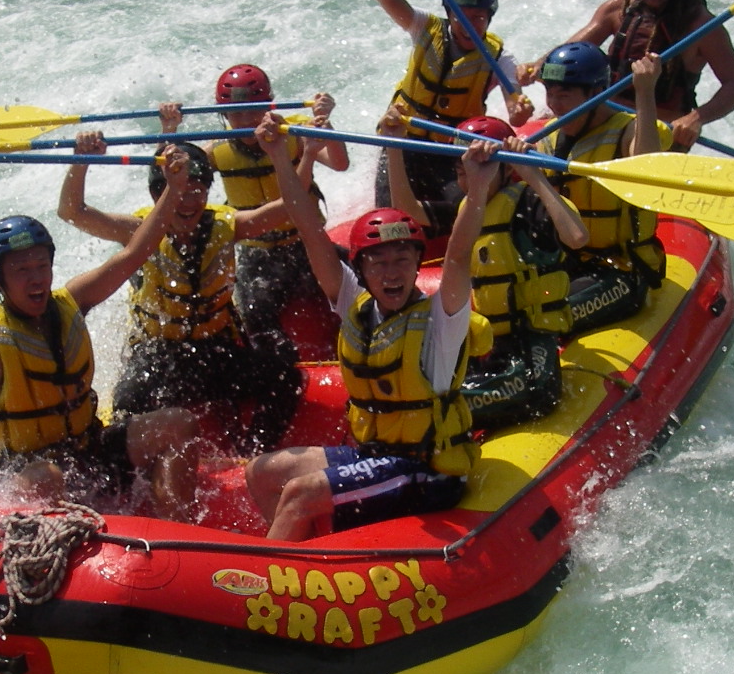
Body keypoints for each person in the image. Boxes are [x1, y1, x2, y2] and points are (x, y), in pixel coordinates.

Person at [244, 114, 499, 541]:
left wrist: (477, 187)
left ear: (418, 264)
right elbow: (308, 228)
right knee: (262, 470)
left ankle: (268, 587)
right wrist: (278, 157)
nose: (391, 272)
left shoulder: (442, 320)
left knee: (301, 492)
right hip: (375, 454)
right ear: (360, 268)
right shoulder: (354, 305)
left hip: (425, 469)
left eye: (402, 260)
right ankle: (303, 562)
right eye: (378, 262)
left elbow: (457, 256)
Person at [0, 144, 200, 520]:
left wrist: (172, 188)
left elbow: (134, 253)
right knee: (46, 478)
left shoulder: (71, 301)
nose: (35, 278)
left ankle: (177, 531)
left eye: (41, 266)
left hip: (86, 450)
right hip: (25, 472)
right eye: (21, 270)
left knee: (179, 424)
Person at [58, 135, 303, 453]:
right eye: (180, 192)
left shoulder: (225, 225)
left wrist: (284, 156)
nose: (189, 201)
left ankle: (251, 452)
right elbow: (72, 212)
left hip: (215, 350)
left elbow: (291, 207)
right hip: (158, 354)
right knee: (127, 404)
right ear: (158, 194)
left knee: (286, 379)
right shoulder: (138, 230)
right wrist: (81, 159)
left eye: (197, 191)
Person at [385, 114, 590, 432]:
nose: (467, 180)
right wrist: (393, 145)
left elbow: (577, 237)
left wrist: (532, 175)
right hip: (492, 350)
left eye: (477, 171)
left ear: (505, 169)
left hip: (533, 362)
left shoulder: (529, 204)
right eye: (461, 171)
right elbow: (407, 211)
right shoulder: (466, 207)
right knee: (416, 394)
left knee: (432, 412)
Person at [159, 65, 344, 345]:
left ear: (268, 106)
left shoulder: (294, 130)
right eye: (235, 114)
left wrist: (324, 125)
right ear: (224, 115)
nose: (245, 120)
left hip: (305, 244)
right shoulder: (218, 151)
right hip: (258, 257)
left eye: (252, 111)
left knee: (353, 284)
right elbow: (168, 179)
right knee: (255, 316)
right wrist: (169, 130)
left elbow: (340, 163)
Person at [533, 0, 734, 152]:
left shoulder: (702, 28)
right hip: (603, 122)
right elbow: (573, 49)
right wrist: (539, 65)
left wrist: (696, 118)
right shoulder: (619, 9)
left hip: (659, 135)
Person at [374, 0, 535, 229]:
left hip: (450, 155)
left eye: (478, 18)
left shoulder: (498, 56)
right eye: (462, 15)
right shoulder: (425, 28)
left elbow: (516, 107)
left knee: (457, 210)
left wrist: (519, 109)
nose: (469, 25)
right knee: (391, 221)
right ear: (449, 12)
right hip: (403, 142)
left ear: (489, 18)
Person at [536, 42, 670, 334]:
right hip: (568, 261)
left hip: (620, 272)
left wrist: (645, 91)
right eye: (550, 94)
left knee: (549, 319)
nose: (554, 105)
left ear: (596, 94)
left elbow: (647, 170)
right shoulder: (547, 137)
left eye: (564, 96)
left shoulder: (629, 129)